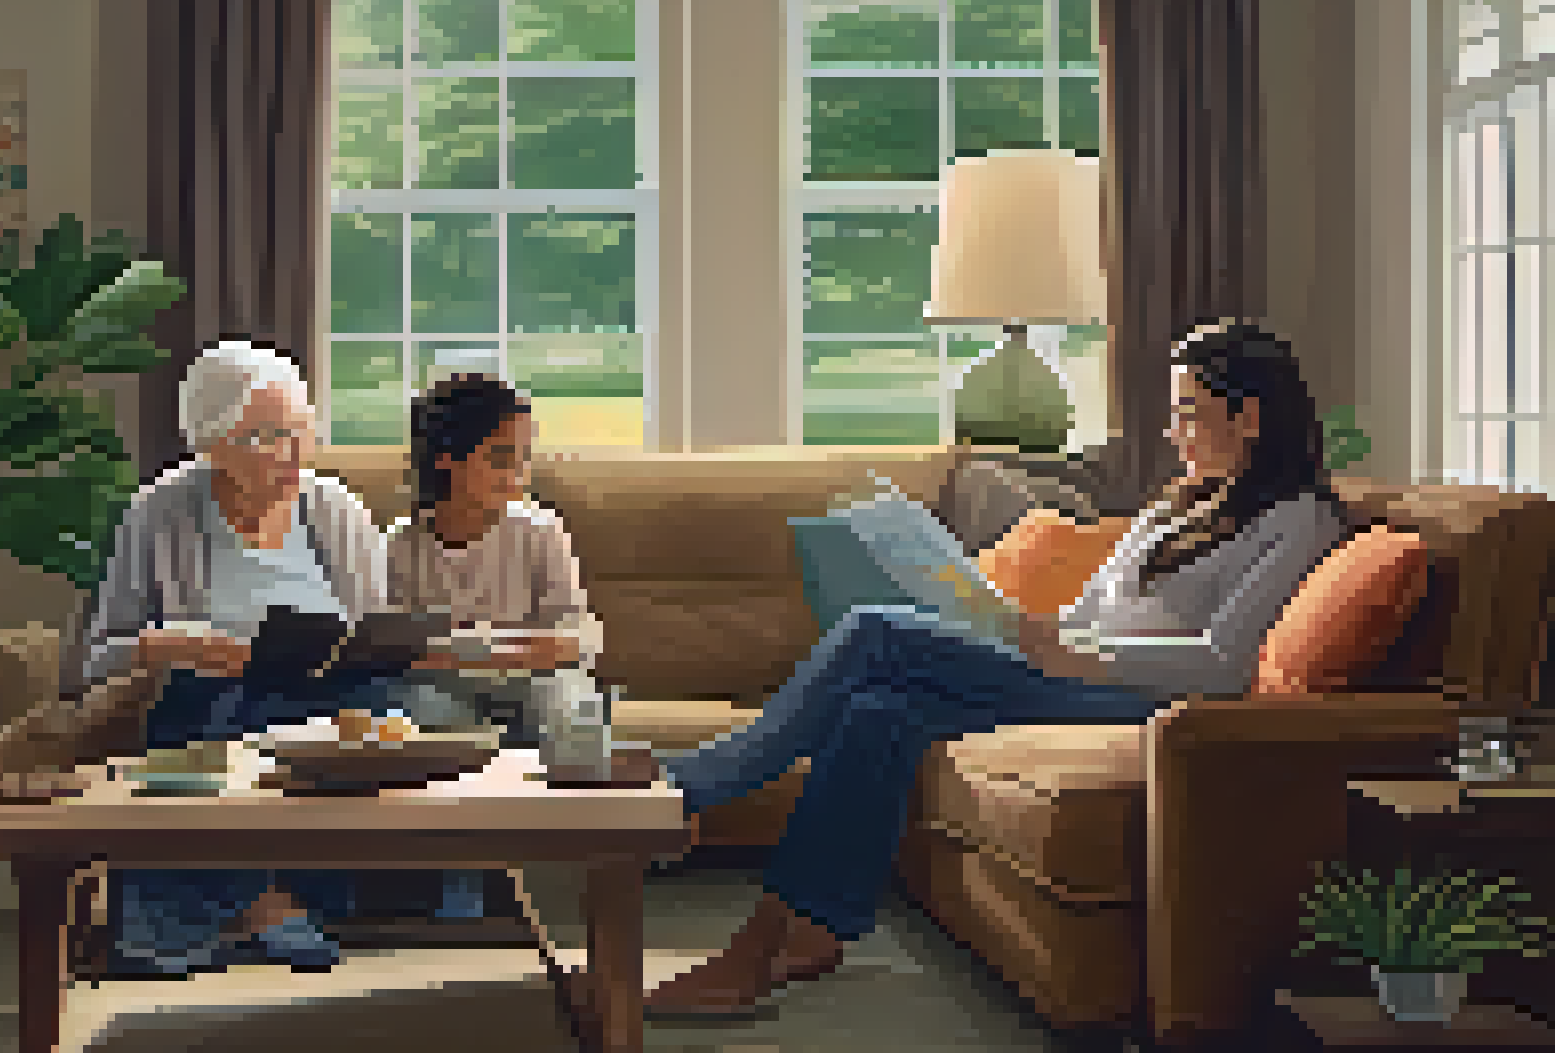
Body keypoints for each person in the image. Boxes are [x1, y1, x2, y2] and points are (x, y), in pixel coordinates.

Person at [645, 319, 1354, 1018]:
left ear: (1251, 415)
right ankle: (791, 935)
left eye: (1189, 413)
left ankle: (688, 788)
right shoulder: (1181, 506)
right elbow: (1090, 607)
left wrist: (1088, 656)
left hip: (1138, 699)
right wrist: (1023, 625)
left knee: (872, 633)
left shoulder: (1299, 523)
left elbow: (1225, 665)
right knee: (877, 714)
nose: (1174, 432)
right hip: (1072, 670)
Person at [73, 340, 479, 978]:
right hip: (210, 693)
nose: (289, 454)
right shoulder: (163, 510)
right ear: (212, 442)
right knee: (209, 722)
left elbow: (376, 627)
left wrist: (390, 649)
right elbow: (99, 656)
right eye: (264, 436)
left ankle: (443, 914)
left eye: (298, 431)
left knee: (426, 716)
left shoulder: (333, 507)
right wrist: (171, 642)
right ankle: (263, 904)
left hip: (328, 693)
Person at [384, 373, 614, 780]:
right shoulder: (401, 545)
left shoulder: (540, 530)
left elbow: (576, 637)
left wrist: (490, 650)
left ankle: (585, 822)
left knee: (570, 698)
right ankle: (476, 815)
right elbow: (397, 649)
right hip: (444, 686)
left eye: (523, 457)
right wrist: (472, 651)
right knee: (416, 704)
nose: (518, 473)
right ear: (446, 458)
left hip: (532, 679)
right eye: (500, 458)